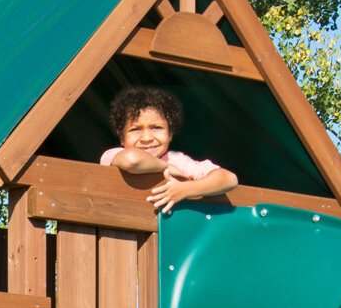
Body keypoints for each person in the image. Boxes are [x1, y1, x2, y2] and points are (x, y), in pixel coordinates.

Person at [100, 86, 238, 214]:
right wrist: (165, 167)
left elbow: (229, 179)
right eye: (135, 129)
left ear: (170, 133)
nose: (146, 137)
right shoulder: (114, 155)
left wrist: (185, 190)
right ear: (122, 138)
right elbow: (132, 160)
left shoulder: (178, 160)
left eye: (156, 127)